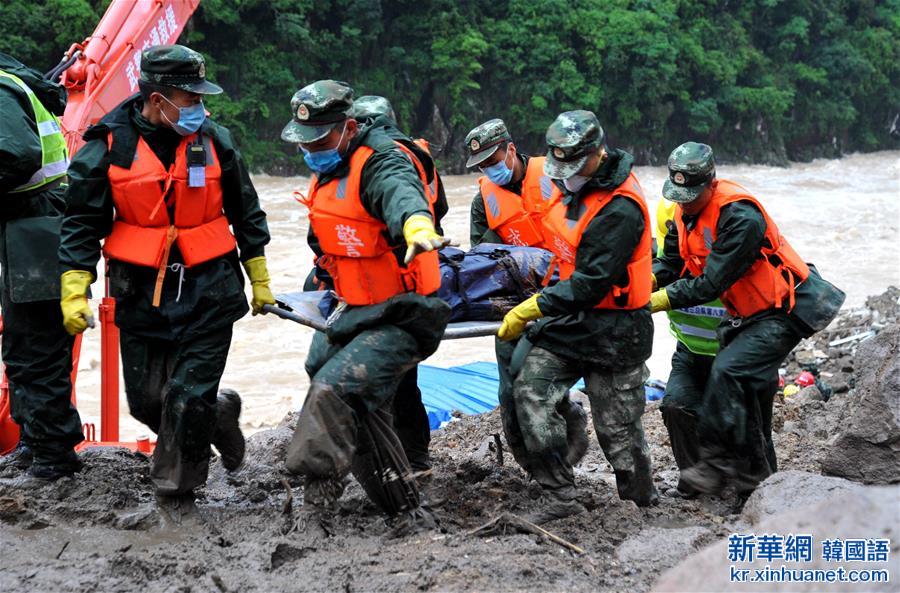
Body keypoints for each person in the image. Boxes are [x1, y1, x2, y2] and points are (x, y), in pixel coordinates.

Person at [58, 45, 273, 522]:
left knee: (186, 397)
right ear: (157, 100)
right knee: (147, 402)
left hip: (210, 287)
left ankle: (177, 496)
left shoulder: (216, 140)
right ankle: (220, 416)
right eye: (188, 98)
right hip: (140, 290)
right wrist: (75, 287)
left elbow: (248, 211)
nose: (199, 108)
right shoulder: (106, 146)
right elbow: (81, 222)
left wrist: (258, 276)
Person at [281, 80, 451, 532]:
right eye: (305, 143)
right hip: (357, 308)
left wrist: (416, 226)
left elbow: (404, 197)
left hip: (405, 311)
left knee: (335, 390)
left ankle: (316, 509)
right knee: (323, 371)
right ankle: (404, 505)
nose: (311, 150)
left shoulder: (382, 162)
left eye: (319, 140)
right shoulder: (332, 167)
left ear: (348, 128)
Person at [651, 141, 843, 496]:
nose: (684, 202)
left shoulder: (741, 217)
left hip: (783, 309)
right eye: (678, 195)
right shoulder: (679, 212)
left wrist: (655, 300)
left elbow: (711, 282)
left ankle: (735, 475)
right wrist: (644, 282)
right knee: (708, 392)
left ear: (711, 183)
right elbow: (672, 264)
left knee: (731, 374)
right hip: (743, 318)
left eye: (691, 194)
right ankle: (726, 475)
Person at [496, 110, 658, 523]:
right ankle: (559, 492)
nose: (563, 174)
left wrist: (534, 307)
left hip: (617, 328)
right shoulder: (567, 188)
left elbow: (591, 282)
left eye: (572, 166)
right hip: (572, 321)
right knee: (531, 390)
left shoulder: (621, 208)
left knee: (618, 431)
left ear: (597, 153)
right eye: (558, 165)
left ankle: (641, 502)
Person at [0, 53, 83, 482]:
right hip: (29, 225)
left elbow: (19, 153)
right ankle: (34, 442)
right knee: (21, 344)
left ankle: (54, 456)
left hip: (37, 225)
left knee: (39, 346)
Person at [654, 198, 727, 497]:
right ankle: (695, 481)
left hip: (734, 354)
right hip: (690, 353)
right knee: (675, 405)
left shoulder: (729, 261)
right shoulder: (662, 266)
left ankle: (755, 487)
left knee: (743, 416)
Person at [466, 119, 554, 247]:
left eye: (492, 162)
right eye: (483, 166)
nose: (489, 169)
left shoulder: (555, 176)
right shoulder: (482, 203)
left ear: (511, 150)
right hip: (517, 265)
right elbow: (479, 255)